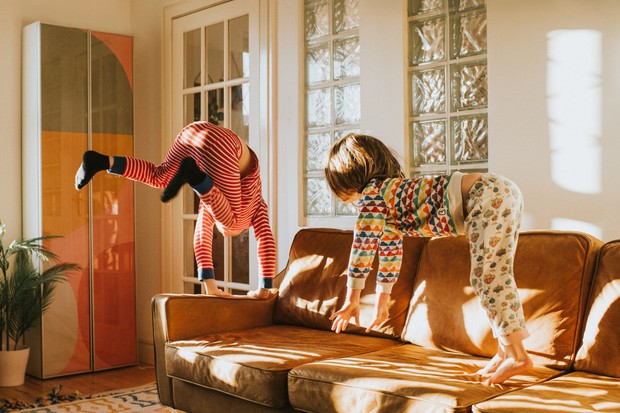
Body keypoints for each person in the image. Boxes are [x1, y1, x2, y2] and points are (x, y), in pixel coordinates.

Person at [324, 133, 533, 385]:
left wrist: (351, 299)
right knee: (493, 274)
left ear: (346, 178)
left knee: (488, 277)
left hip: (487, 195)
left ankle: (518, 355)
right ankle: (505, 351)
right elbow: (389, 252)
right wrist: (382, 302)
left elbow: (363, 246)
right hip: (500, 191)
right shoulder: (390, 197)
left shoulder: (373, 196)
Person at [75, 121, 276, 299]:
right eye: (228, 235)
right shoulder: (256, 209)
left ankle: (101, 161)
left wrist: (210, 286)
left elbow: (201, 236)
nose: (224, 233)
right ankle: (192, 174)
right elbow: (265, 240)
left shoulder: (212, 199)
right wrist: (264, 288)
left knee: (159, 176)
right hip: (225, 147)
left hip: (193, 132)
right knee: (232, 221)